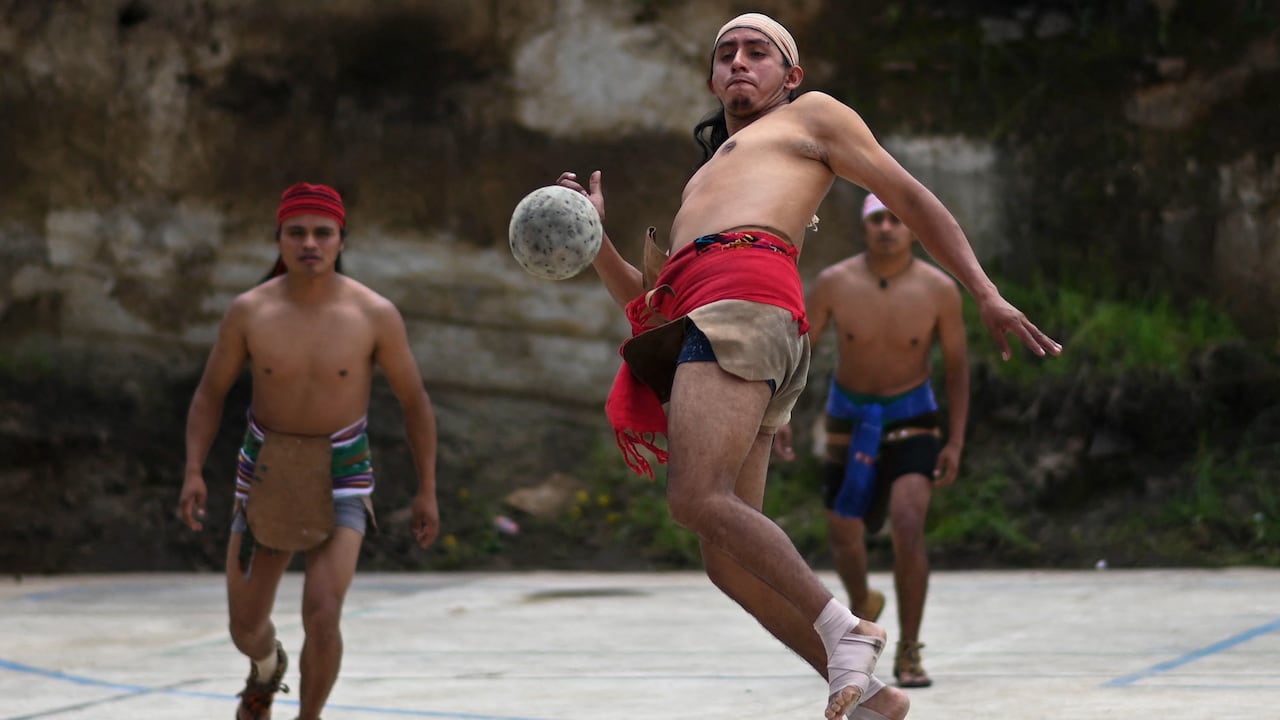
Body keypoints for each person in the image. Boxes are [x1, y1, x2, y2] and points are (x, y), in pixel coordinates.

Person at [556, 12, 1059, 720]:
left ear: (790, 77)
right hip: (718, 318)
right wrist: (593, 237)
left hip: (748, 308)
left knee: (693, 497)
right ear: (710, 78)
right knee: (727, 558)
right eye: (725, 53)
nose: (738, 62)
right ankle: (872, 697)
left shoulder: (812, 116)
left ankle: (845, 628)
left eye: (757, 52)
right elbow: (649, 305)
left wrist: (985, 291)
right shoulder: (706, 181)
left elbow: (911, 196)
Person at [178, 182, 441, 720]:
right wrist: (193, 470)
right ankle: (266, 667)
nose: (310, 243)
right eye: (296, 232)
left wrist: (427, 490)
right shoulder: (249, 312)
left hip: (343, 470)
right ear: (278, 240)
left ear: (342, 240)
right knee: (245, 628)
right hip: (266, 469)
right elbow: (210, 393)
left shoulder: (374, 315)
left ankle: (308, 716)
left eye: (323, 232)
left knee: (323, 614)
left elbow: (414, 402)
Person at [774, 192, 969, 688]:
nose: (886, 227)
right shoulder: (835, 282)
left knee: (908, 525)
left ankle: (909, 649)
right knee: (842, 533)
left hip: (913, 419)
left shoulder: (940, 289)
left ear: (913, 230)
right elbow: (803, 350)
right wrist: (782, 410)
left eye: (896, 219)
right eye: (877, 218)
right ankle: (862, 602)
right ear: (865, 226)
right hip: (848, 418)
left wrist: (955, 441)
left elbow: (958, 371)